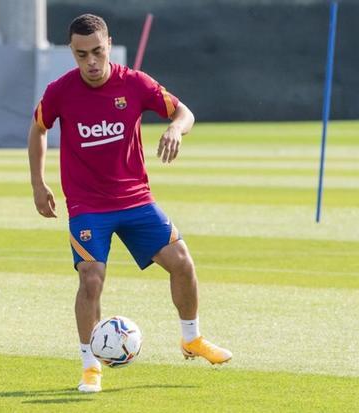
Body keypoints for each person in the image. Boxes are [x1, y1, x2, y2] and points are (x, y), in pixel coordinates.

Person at [27, 14, 232, 393]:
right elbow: (39, 127)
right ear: (72, 52)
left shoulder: (135, 83)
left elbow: (185, 113)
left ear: (109, 44)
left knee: (183, 263)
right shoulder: (61, 90)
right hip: (88, 206)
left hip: (135, 200)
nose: (90, 61)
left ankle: (192, 339)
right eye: (81, 54)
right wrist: (39, 184)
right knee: (90, 278)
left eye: (97, 52)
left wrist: (174, 128)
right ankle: (90, 366)